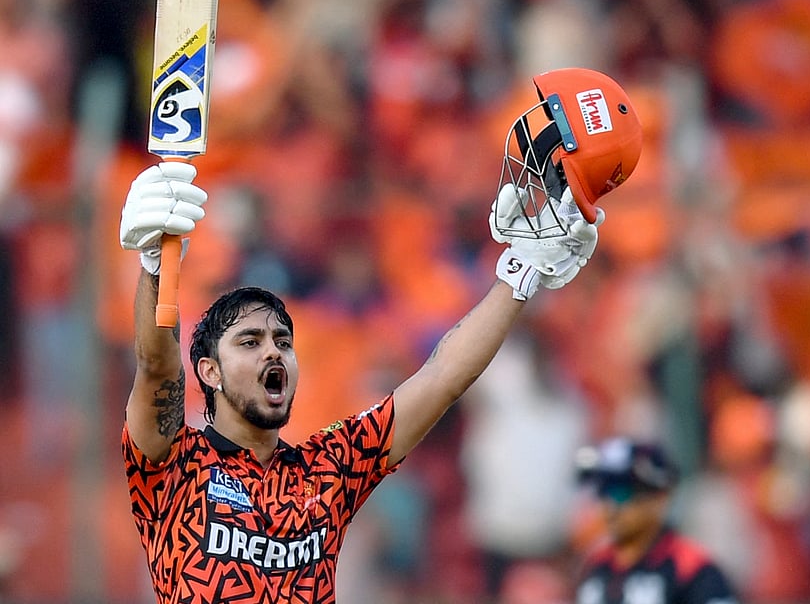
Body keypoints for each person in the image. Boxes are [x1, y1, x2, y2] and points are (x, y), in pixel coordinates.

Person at [116, 67, 642, 604]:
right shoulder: (175, 465)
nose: (272, 352)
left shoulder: (328, 470)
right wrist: (154, 266)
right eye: (249, 342)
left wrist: (520, 275)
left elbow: (442, 377)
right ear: (209, 371)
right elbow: (156, 366)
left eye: (282, 342)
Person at [573, 437, 740, 604]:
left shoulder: (690, 569)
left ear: (660, 496)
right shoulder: (595, 566)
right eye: (603, 491)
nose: (611, 506)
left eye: (621, 492)